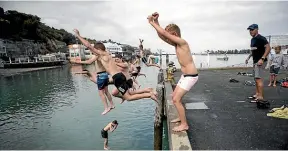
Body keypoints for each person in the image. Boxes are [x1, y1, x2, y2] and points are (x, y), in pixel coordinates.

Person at [73, 29, 158, 103]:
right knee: (128, 94)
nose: (94, 52)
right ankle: (149, 92)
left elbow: (88, 45)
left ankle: (149, 95)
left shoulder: (103, 55)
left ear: (98, 50)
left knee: (128, 97)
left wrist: (78, 36)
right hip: (119, 77)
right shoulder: (107, 55)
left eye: (95, 51)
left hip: (117, 78)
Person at [148, 12, 198, 132]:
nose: (167, 38)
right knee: (174, 96)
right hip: (185, 76)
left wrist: (151, 22)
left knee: (176, 100)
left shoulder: (182, 42)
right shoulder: (176, 44)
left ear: (174, 34)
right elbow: (162, 35)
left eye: (170, 35)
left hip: (191, 76)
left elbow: (164, 34)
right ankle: (180, 118)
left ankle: (184, 124)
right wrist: (156, 22)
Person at [245, 24, 271, 102]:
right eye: (250, 30)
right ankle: (257, 93)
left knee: (258, 79)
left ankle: (260, 97)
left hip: (260, 62)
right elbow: (253, 50)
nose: (250, 31)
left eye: (252, 30)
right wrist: (248, 58)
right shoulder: (252, 40)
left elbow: (268, 48)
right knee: (256, 79)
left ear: (257, 29)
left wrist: (262, 59)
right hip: (255, 61)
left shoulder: (261, 38)